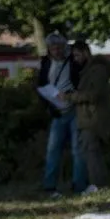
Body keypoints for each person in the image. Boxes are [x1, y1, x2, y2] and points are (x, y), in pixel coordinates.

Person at [59, 41, 110, 192]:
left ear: (85, 52)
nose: (75, 59)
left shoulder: (97, 71)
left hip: (94, 118)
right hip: (89, 117)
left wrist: (71, 97)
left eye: (77, 55)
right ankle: (98, 184)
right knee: (89, 151)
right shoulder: (89, 71)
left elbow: (93, 94)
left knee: (91, 152)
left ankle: (99, 185)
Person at [37, 32, 86, 197]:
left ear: (64, 48)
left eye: (59, 47)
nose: (56, 51)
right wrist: (47, 103)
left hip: (73, 109)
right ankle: (49, 186)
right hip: (56, 111)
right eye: (53, 48)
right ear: (49, 49)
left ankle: (79, 185)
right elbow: (41, 83)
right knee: (53, 150)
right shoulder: (45, 63)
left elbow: (81, 78)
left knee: (77, 150)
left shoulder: (73, 61)